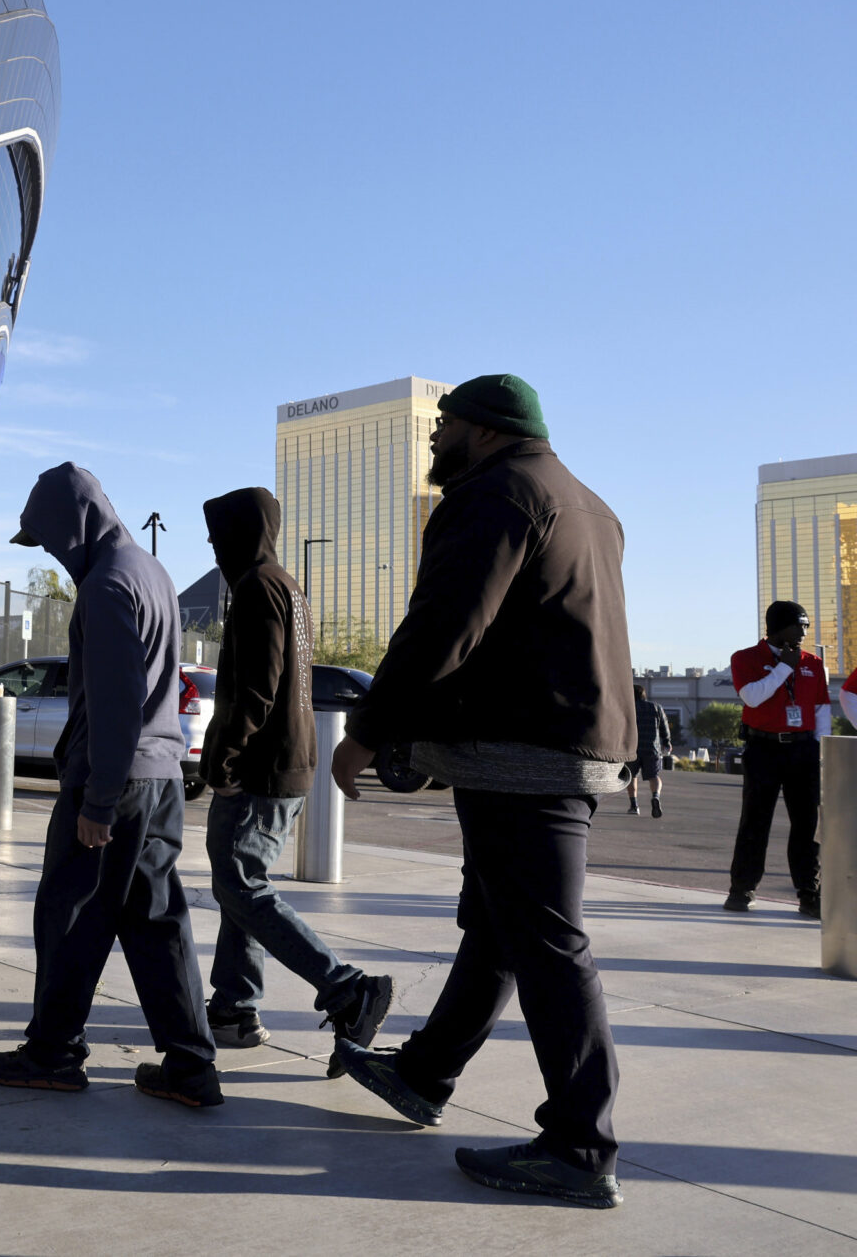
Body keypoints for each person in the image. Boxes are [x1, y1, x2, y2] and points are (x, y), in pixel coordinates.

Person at [328, 374, 631, 1210]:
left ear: (488, 430)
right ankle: (425, 1073)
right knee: (501, 923)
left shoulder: (496, 495)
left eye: (444, 424)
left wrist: (369, 732)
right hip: (572, 738)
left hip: (522, 750)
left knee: (545, 940)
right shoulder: (587, 502)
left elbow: (445, 626)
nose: (434, 439)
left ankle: (581, 1145)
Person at [0, 463, 218, 1107]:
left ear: (74, 523)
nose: (51, 554)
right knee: (156, 922)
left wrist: (98, 800)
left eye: (49, 538)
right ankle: (192, 1065)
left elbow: (116, 703)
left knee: (70, 915)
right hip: (163, 780)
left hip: (117, 781)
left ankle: (52, 1054)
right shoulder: (150, 571)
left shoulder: (108, 586)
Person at [197, 487, 393, 1060]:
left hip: (259, 769)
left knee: (241, 886)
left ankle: (347, 989)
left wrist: (225, 762)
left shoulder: (258, 587)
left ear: (240, 533)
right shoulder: (288, 586)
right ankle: (233, 1008)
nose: (212, 548)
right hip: (287, 763)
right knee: (242, 885)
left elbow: (257, 687)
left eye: (217, 536)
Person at [724, 602, 829, 918]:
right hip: (764, 749)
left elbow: (822, 710)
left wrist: (822, 755)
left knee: (807, 826)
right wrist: (784, 667)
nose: (804, 632)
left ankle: (809, 895)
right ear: (778, 626)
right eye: (800, 625)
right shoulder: (745, 658)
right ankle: (742, 890)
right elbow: (752, 697)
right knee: (755, 821)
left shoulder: (813, 663)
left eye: (807, 626)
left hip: (803, 751)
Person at [624, 684, 672, 818]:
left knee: (631, 776)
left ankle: (634, 806)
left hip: (632, 748)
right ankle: (655, 796)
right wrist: (667, 742)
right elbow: (664, 727)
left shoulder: (628, 709)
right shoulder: (656, 707)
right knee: (654, 776)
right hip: (652, 748)